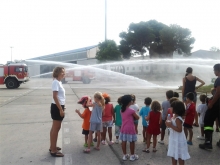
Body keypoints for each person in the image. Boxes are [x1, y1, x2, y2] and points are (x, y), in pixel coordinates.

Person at [199, 64, 220, 149]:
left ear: (217, 70)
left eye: (214, 70)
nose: (214, 72)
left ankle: (208, 142)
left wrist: (211, 103)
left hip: (217, 104)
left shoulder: (219, 79)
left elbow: (218, 92)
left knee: (207, 121)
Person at [166, 100, 190, 165]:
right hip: (174, 138)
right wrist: (169, 123)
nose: (170, 108)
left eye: (171, 107)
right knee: (173, 154)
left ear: (176, 109)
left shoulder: (178, 119)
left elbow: (180, 130)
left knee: (180, 155)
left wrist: (170, 125)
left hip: (178, 139)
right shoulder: (174, 116)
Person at [49, 66, 65, 157]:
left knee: (54, 128)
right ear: (57, 72)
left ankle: (52, 146)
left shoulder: (58, 82)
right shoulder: (55, 82)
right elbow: (55, 96)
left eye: (64, 72)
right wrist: (61, 109)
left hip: (57, 106)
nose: (63, 73)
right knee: (56, 129)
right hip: (57, 107)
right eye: (62, 72)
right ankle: (53, 151)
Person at [119, 95, 139, 161]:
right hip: (130, 128)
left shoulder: (121, 110)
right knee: (132, 142)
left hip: (123, 128)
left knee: (124, 141)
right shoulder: (131, 110)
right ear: (129, 102)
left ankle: (124, 155)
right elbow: (137, 117)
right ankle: (132, 155)